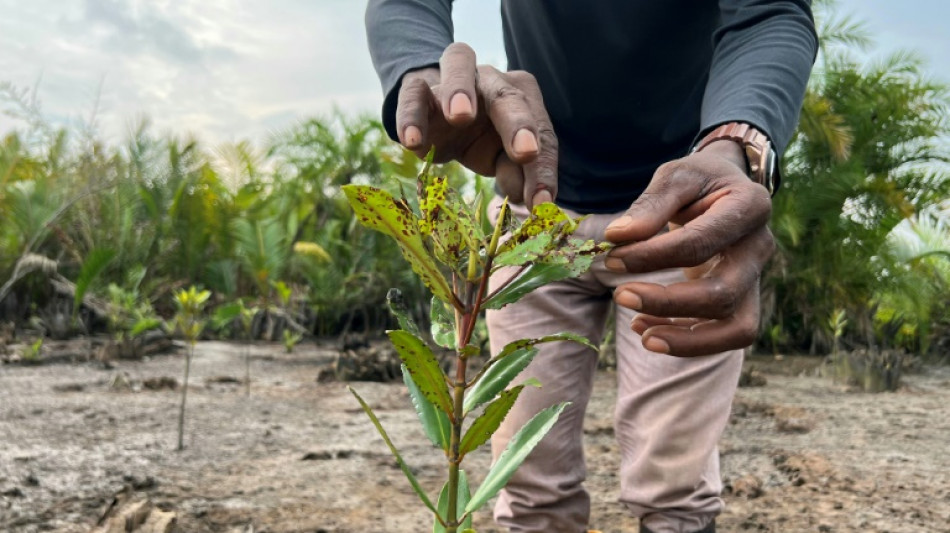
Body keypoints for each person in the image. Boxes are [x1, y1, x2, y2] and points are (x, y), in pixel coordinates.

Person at [365, 2, 818, 532]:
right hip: (532, 219)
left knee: (676, 491)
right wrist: (419, 69)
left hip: (685, 216)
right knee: (528, 484)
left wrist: (738, 145)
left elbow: (770, 11)